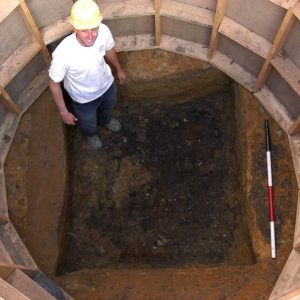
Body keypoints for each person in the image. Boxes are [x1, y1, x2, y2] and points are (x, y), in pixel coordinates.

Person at [48, 0, 126, 150]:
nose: (90, 36)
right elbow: (53, 83)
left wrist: (119, 69)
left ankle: (106, 120)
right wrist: (64, 112)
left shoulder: (103, 30)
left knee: (108, 107)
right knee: (87, 121)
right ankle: (90, 134)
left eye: (93, 29)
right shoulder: (64, 54)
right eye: (84, 30)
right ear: (74, 27)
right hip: (84, 100)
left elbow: (109, 50)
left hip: (107, 86)